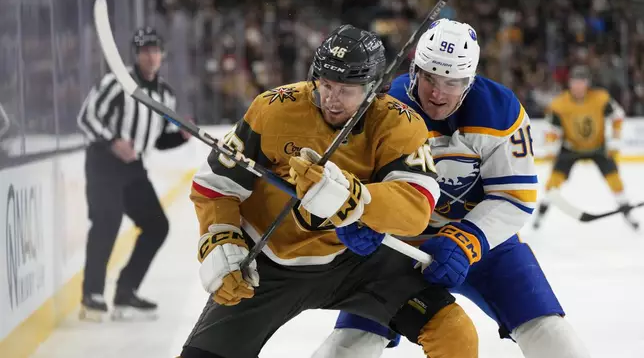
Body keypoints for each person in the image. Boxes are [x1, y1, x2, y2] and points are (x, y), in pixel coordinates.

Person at [179, 24, 478, 358]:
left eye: (347, 90)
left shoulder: (399, 123)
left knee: (455, 333)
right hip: (268, 264)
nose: (331, 99)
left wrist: (355, 199)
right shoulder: (273, 109)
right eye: (325, 85)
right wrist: (220, 235)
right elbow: (216, 184)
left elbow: (416, 206)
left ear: (372, 90)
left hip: (357, 263)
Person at [311, 19, 591, 358]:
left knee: (554, 339)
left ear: (470, 79)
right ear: (414, 68)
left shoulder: (500, 111)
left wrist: (468, 239)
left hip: (486, 247)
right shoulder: (381, 107)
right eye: (429, 76)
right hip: (397, 250)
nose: (437, 93)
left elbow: (514, 197)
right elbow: (352, 184)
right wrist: (355, 217)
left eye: (453, 81)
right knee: (347, 348)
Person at [77, 26, 190, 321]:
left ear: (162, 55)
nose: (150, 56)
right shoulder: (117, 83)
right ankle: (92, 295)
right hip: (104, 162)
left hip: (134, 168)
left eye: (154, 50)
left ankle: (126, 291)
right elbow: (86, 117)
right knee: (107, 221)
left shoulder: (166, 94)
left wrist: (182, 136)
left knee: (156, 225)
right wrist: (113, 141)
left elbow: (157, 139)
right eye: (144, 51)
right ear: (136, 54)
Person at [533, 65, 638, 229]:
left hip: (598, 147)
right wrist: (551, 147)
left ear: (587, 83)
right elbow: (551, 128)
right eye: (575, 82)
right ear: (570, 83)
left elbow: (618, 116)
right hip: (571, 148)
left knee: (615, 180)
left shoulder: (600, 98)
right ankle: (540, 215)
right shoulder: (559, 104)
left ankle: (628, 214)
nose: (578, 86)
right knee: (553, 182)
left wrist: (615, 140)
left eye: (582, 82)